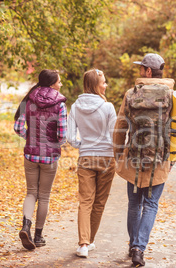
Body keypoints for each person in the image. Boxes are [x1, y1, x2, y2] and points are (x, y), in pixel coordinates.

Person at [113, 53, 174, 267]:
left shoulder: (131, 94)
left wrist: (118, 154)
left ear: (148, 71)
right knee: (151, 204)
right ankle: (139, 248)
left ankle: (132, 245)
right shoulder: (172, 95)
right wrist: (173, 158)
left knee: (134, 203)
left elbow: (120, 126)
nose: (139, 71)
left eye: (141, 68)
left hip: (134, 157)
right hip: (160, 158)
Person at [14, 69, 67, 250]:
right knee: (44, 196)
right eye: (59, 82)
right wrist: (57, 143)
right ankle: (38, 236)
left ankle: (25, 226)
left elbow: (18, 127)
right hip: (49, 156)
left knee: (31, 193)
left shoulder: (29, 98)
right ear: (52, 83)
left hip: (30, 154)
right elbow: (62, 134)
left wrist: (31, 138)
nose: (60, 85)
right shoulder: (60, 102)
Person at [67, 69, 117, 258]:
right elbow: (114, 135)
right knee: (99, 202)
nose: (106, 86)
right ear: (94, 85)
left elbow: (70, 137)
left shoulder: (76, 107)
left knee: (85, 202)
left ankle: (84, 244)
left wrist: (83, 145)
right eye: (103, 82)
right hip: (106, 158)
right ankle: (89, 241)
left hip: (86, 158)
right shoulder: (108, 107)